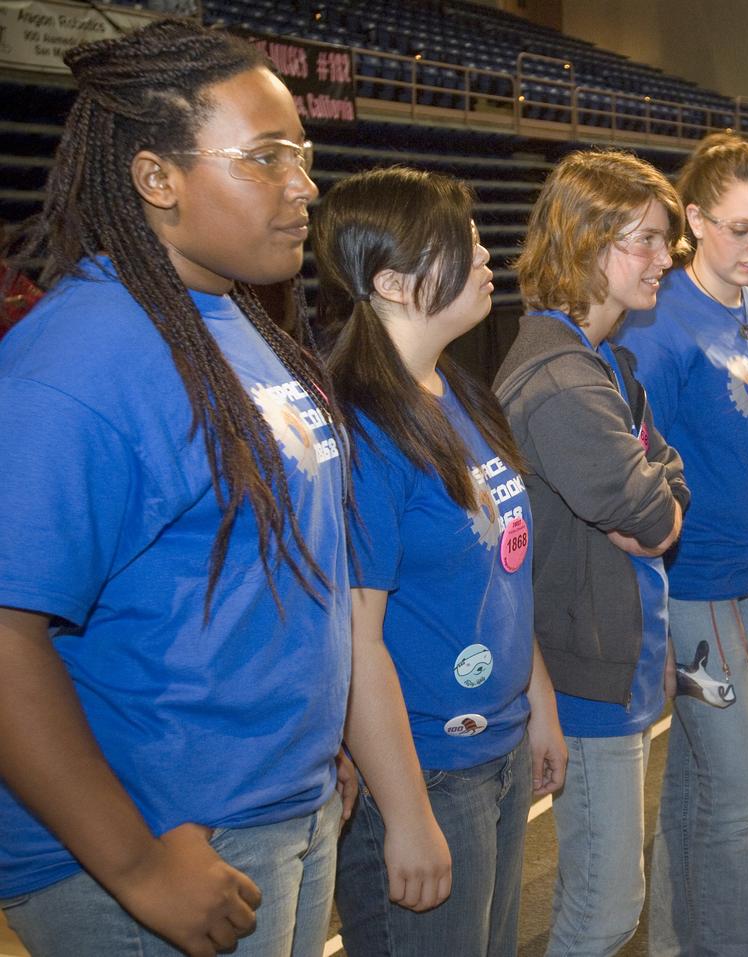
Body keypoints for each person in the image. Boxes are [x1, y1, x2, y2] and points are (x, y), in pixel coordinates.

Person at [0, 20, 351, 957]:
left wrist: (322, 748)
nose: (304, 186)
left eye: (304, 156)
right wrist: (137, 865)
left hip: (279, 807)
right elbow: (4, 634)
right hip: (163, 842)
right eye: (267, 158)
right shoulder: (77, 359)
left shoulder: (232, 315)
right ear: (156, 179)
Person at [312, 167, 566, 956]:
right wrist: (409, 812)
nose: (487, 256)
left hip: (494, 749)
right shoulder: (363, 426)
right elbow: (357, 640)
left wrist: (538, 698)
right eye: (463, 244)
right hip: (426, 771)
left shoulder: (454, 387)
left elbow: (505, 571)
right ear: (390, 280)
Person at [617, 133, 748, 955]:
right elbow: (638, 482)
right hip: (695, 591)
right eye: (740, 228)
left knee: (696, 791)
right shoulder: (660, 327)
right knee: (738, 798)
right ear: (696, 220)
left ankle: (675, 943)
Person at [493, 149, 690, 957]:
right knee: (605, 908)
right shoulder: (565, 381)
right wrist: (657, 499)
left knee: (605, 897)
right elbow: (650, 514)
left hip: (606, 663)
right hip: (582, 680)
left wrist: (658, 495)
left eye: (664, 240)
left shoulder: (606, 361)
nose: (664, 258)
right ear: (584, 243)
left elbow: (670, 483)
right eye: (642, 240)